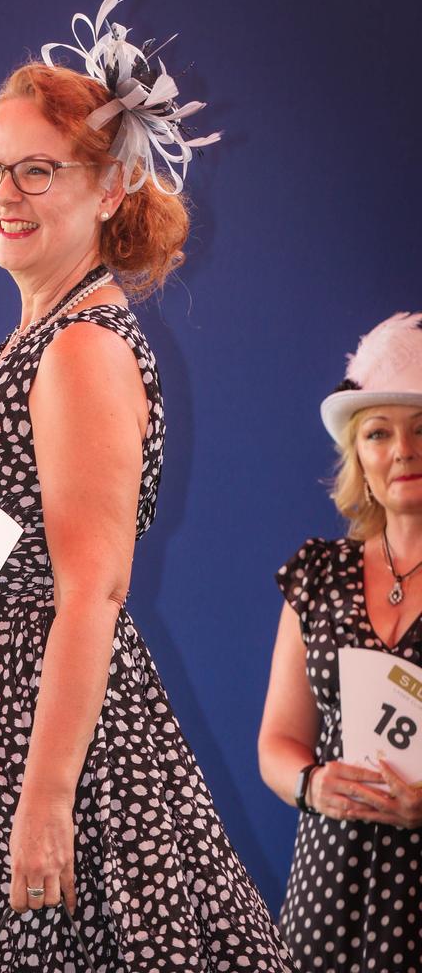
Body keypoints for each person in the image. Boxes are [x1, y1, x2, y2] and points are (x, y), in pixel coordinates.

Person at [0, 0, 292, 972]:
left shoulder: (81, 343)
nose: (5, 193)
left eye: (37, 169)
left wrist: (44, 805)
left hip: (36, 758)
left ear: (112, 186)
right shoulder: (30, 340)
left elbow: (93, 588)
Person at [258, 312, 422, 973]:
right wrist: (312, 785)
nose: (403, 450)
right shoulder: (318, 575)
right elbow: (276, 741)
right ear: (359, 455)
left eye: (421, 429)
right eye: (379, 432)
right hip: (325, 893)